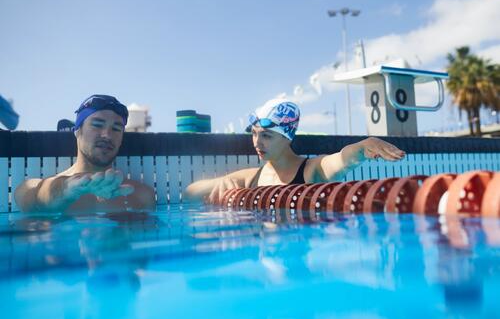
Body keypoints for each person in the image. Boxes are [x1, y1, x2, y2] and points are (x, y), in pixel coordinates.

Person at [185, 99, 405, 203]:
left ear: (287, 137)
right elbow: (189, 192)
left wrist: (362, 146)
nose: (257, 142)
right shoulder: (252, 177)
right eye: (254, 133)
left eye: (266, 135)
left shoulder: (310, 171)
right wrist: (221, 183)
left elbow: (341, 160)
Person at [15, 95, 156, 213]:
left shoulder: (142, 196)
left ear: (121, 139)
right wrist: (65, 190)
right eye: (97, 125)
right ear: (77, 131)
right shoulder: (37, 190)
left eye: (116, 128)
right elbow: (27, 193)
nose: (107, 135)